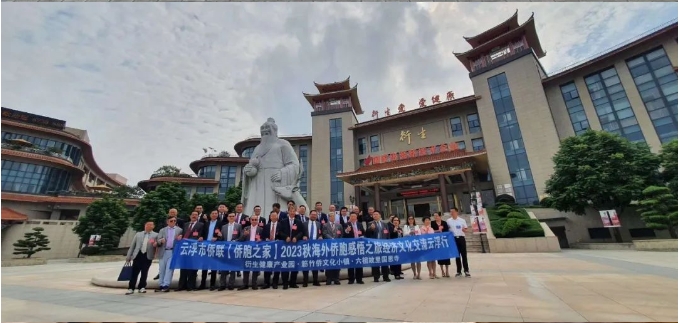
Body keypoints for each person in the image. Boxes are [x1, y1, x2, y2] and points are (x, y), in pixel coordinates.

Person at [241, 118, 308, 217]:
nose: (264, 130)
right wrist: (248, 170)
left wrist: (282, 173)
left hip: (275, 182)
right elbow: (252, 165)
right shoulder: (257, 148)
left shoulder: (283, 144)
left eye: (267, 128)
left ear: (274, 131)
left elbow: (294, 164)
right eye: (262, 128)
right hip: (258, 183)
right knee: (256, 207)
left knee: (276, 207)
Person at [125, 221, 158, 295]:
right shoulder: (138, 234)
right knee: (134, 272)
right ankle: (131, 288)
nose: (149, 226)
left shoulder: (156, 235)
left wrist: (156, 244)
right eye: (147, 224)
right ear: (145, 225)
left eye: (151, 225)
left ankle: (142, 287)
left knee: (144, 272)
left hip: (147, 255)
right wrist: (128, 256)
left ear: (153, 226)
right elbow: (132, 246)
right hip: (138, 255)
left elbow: (158, 244)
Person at [176, 211, 204, 291]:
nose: (194, 216)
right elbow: (183, 233)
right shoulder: (186, 224)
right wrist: (181, 235)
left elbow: (203, 234)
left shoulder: (201, 224)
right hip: (185, 248)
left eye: (196, 215)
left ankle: (190, 286)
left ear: (198, 216)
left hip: (194, 248)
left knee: (193, 267)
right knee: (183, 267)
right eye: (193, 215)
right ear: (190, 216)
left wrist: (201, 237)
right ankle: (181, 285)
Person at [153, 208, 183, 281]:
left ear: (176, 213)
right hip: (163, 250)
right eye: (171, 212)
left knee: (169, 268)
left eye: (174, 221)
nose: (173, 222)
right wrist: (159, 241)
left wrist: (180, 237)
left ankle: (166, 284)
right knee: (162, 268)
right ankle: (161, 284)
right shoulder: (163, 228)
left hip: (173, 250)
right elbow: (158, 237)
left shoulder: (180, 228)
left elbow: (183, 236)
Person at [281, 207, 305, 289]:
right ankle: (285, 283)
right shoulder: (283, 221)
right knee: (285, 264)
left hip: (295, 246)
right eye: (290, 211)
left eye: (293, 211)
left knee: (295, 264)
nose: (292, 212)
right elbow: (280, 232)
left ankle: (293, 282)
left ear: (295, 212)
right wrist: (285, 237)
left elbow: (301, 232)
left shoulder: (298, 222)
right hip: (286, 246)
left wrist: (296, 237)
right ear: (288, 212)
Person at [238, 215, 263, 290]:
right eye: (253, 219)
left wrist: (260, 240)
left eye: (256, 219)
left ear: (257, 221)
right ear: (250, 220)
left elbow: (264, 240)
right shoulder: (246, 228)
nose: (254, 221)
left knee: (255, 267)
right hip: (247, 250)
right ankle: (245, 284)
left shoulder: (261, 229)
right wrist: (244, 235)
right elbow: (240, 239)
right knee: (246, 267)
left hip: (256, 250)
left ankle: (254, 284)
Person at [218, 212, 241, 291]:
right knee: (223, 267)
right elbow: (222, 239)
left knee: (233, 267)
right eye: (230, 216)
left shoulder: (239, 226)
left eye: (233, 216)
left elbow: (240, 237)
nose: (231, 217)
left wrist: (235, 241)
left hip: (234, 249)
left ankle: (231, 284)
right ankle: (222, 284)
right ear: (227, 218)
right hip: (225, 249)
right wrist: (220, 236)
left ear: (235, 217)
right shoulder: (224, 227)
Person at [366, 210, 391, 283]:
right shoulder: (370, 224)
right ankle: (376, 277)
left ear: (380, 215)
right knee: (375, 261)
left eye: (376, 214)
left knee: (384, 261)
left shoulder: (384, 224)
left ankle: (386, 276)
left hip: (384, 245)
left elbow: (387, 234)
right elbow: (367, 234)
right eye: (374, 215)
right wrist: (371, 229)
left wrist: (388, 243)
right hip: (374, 246)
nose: (375, 216)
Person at [200, 210, 222, 290]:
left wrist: (217, 238)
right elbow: (202, 233)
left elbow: (222, 236)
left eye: (216, 213)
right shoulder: (206, 223)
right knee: (204, 266)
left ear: (218, 215)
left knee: (213, 266)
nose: (214, 215)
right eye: (212, 213)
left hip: (215, 247)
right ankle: (202, 284)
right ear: (210, 215)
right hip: (206, 246)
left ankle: (212, 284)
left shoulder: (220, 223)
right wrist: (201, 237)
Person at [446, 207, 470, 278]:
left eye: (453, 211)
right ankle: (458, 271)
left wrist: (464, 230)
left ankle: (466, 270)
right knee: (457, 255)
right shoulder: (448, 221)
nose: (451, 213)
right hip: (454, 239)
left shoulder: (462, 220)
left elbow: (466, 229)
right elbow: (447, 229)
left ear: (457, 212)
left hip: (461, 238)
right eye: (450, 212)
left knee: (464, 255)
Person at [262, 210, 283, 289]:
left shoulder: (281, 225)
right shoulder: (266, 226)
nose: (273, 217)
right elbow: (263, 236)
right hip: (268, 249)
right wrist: (266, 238)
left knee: (277, 265)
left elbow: (283, 236)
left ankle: (275, 283)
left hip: (277, 248)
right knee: (267, 265)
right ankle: (266, 283)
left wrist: (279, 240)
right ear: (270, 217)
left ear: (277, 217)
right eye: (272, 216)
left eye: (275, 216)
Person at [342, 212, 365, 284]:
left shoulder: (359, 224)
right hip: (351, 246)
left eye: (354, 216)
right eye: (352, 216)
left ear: (356, 217)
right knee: (351, 263)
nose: (353, 218)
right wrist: (347, 231)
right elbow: (343, 235)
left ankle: (359, 279)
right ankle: (351, 279)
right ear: (350, 217)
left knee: (359, 262)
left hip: (359, 246)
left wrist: (363, 236)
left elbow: (363, 233)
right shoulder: (346, 225)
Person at [322, 212, 342, 285]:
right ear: (329, 217)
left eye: (334, 217)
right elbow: (324, 233)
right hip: (328, 246)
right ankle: (329, 278)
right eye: (331, 216)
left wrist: (337, 240)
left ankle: (336, 278)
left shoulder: (339, 225)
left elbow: (341, 234)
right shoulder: (325, 225)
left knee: (337, 262)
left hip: (337, 246)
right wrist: (332, 239)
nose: (333, 218)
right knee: (328, 262)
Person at [431, 212, 451, 278]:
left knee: (446, 256)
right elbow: (431, 231)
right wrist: (438, 230)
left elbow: (447, 231)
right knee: (440, 257)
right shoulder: (432, 223)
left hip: (444, 241)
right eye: (434, 216)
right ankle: (442, 270)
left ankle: (447, 271)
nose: (435, 217)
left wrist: (442, 231)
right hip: (437, 241)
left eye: (437, 216)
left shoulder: (444, 223)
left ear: (440, 216)